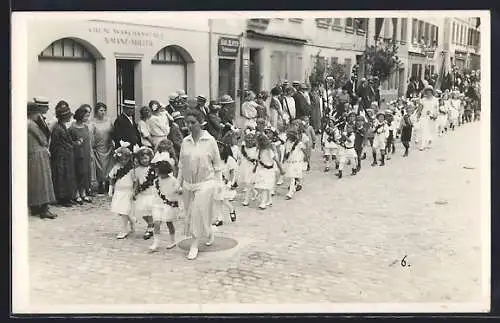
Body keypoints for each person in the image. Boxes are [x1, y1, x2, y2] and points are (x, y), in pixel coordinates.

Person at [177, 109, 223, 260]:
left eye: (193, 122)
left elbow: (217, 165)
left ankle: (194, 244)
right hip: (188, 184)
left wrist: (219, 185)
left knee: (197, 213)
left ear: (201, 123)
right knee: (191, 214)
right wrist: (179, 183)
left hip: (206, 183)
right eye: (187, 123)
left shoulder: (210, 141)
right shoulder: (185, 141)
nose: (189, 126)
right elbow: (181, 165)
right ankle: (209, 231)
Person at [27, 101, 57, 219]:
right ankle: (45, 209)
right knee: (44, 181)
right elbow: (43, 139)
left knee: (34, 182)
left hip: (31, 154)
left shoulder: (25, 123)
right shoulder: (32, 125)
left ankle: (34, 206)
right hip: (38, 154)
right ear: (33, 113)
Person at [149, 152, 180, 252]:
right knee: (156, 223)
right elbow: (154, 193)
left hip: (168, 205)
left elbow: (178, 190)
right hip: (158, 205)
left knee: (169, 223)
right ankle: (156, 242)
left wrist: (178, 192)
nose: (157, 172)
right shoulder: (156, 181)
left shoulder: (173, 180)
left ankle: (172, 240)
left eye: (158, 171)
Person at [50, 101, 77, 207]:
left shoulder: (62, 126)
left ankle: (67, 197)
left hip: (66, 155)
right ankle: (62, 198)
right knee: (62, 176)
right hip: (61, 156)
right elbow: (55, 144)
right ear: (64, 117)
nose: (70, 118)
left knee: (67, 176)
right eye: (68, 116)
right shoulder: (58, 129)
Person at [108, 141, 136, 239]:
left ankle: (124, 229)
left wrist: (135, 191)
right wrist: (110, 189)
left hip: (128, 192)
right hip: (119, 191)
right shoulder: (116, 168)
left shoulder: (131, 170)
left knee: (124, 210)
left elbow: (136, 181)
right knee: (121, 211)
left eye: (125, 159)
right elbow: (111, 178)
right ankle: (131, 220)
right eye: (121, 159)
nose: (123, 161)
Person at [68, 105, 93, 204]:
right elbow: (69, 142)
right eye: (86, 116)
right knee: (78, 173)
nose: (87, 118)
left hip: (86, 153)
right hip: (77, 154)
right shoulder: (72, 128)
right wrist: (76, 143)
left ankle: (83, 193)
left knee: (85, 173)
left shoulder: (86, 127)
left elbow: (89, 141)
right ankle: (76, 194)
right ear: (80, 116)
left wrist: (91, 153)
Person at [132, 145, 157, 241]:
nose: (144, 160)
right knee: (142, 212)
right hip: (142, 194)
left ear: (150, 158)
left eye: (146, 158)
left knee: (149, 210)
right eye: (142, 158)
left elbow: (156, 180)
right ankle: (151, 224)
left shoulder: (152, 169)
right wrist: (134, 192)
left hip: (151, 192)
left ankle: (150, 228)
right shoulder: (137, 170)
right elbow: (137, 182)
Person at [90, 102, 114, 195]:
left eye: (104, 110)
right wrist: (93, 145)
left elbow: (112, 132)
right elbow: (91, 134)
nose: (103, 112)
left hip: (108, 145)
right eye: (101, 110)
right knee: (100, 166)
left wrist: (112, 142)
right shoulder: (93, 122)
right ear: (96, 111)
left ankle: (108, 182)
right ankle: (100, 183)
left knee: (109, 165)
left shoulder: (108, 120)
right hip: (99, 146)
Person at [213, 142, 237, 226]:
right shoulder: (214, 159)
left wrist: (230, 183)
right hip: (216, 181)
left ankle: (231, 209)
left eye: (220, 147)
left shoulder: (230, 159)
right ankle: (219, 219)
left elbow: (232, 172)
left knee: (223, 200)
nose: (218, 149)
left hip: (225, 183)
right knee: (217, 201)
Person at [283, 127, 307, 200]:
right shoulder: (287, 142)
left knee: (292, 177)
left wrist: (306, 161)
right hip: (289, 162)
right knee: (291, 176)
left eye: (289, 135)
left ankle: (290, 193)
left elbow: (304, 152)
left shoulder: (299, 143)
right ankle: (295, 186)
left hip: (297, 162)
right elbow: (286, 150)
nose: (288, 137)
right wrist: (284, 158)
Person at [238, 130, 259, 206]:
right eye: (248, 139)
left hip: (252, 167)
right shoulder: (244, 149)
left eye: (251, 139)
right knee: (247, 182)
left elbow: (257, 158)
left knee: (248, 183)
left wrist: (255, 166)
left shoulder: (256, 149)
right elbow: (241, 157)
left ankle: (246, 200)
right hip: (245, 167)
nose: (250, 141)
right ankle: (254, 192)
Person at [418, 85, 438, 151]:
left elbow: (436, 109)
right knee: (423, 130)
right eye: (427, 91)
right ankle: (422, 145)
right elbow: (420, 108)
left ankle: (429, 139)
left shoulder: (435, 100)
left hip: (431, 117)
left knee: (429, 130)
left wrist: (435, 115)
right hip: (424, 116)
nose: (428, 93)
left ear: (432, 92)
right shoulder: (423, 100)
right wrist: (418, 115)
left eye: (430, 91)